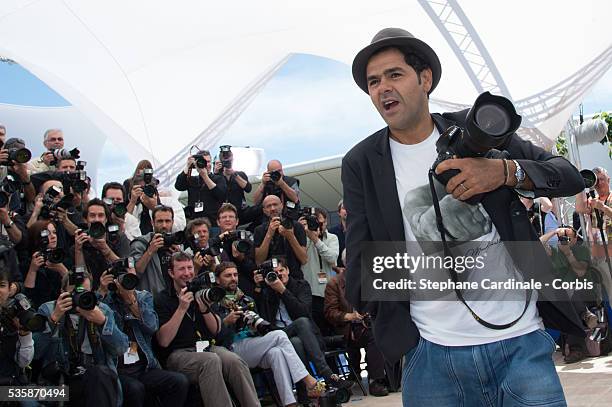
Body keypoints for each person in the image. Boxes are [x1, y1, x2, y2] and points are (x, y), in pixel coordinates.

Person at [344, 27, 586, 406]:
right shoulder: (360, 162)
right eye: (374, 82)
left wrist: (505, 172)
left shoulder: (478, 127)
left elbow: (567, 175)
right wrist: (403, 334)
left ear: (424, 79)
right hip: (430, 356)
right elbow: (361, 258)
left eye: (394, 75)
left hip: (520, 342)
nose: (383, 88)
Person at [154, 252, 259, 407]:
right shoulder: (162, 299)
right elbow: (163, 341)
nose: (187, 273)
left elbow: (217, 329)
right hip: (179, 353)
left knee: (234, 361)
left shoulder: (202, 291)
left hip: (207, 346)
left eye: (189, 268)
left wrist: (204, 308)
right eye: (181, 269)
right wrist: (182, 308)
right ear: (171, 273)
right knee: (211, 361)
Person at [213, 261, 321, 407]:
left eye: (235, 274)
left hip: (253, 346)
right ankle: (308, 380)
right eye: (228, 275)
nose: (233, 278)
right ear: (217, 279)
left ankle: (290, 403)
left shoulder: (246, 299)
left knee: (276, 353)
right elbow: (212, 336)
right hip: (231, 349)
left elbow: (260, 325)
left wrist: (255, 325)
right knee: (279, 335)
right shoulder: (214, 302)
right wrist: (226, 322)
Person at [252, 257, 352, 395]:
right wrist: (259, 287)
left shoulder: (301, 285)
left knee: (297, 340)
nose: (279, 275)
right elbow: (260, 316)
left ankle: (305, 391)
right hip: (279, 336)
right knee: (300, 325)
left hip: (307, 338)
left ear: (288, 270)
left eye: (281, 270)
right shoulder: (266, 291)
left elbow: (303, 312)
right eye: (274, 272)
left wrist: (283, 291)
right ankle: (326, 374)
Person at [35, 270, 129, 407]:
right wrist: (53, 319)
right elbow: (35, 353)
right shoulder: (49, 309)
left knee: (99, 374)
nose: (79, 297)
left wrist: (103, 322)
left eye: (84, 292)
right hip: (58, 382)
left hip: (93, 378)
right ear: (62, 292)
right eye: (74, 292)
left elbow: (121, 349)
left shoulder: (102, 310)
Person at [101, 267, 189, 407]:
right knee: (136, 389)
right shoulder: (105, 301)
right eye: (124, 278)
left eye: (131, 278)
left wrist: (131, 300)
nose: (128, 282)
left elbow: (152, 326)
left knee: (179, 382)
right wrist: (102, 290)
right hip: (117, 369)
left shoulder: (143, 296)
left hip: (144, 366)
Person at [324, 250, 388, 397]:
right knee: (374, 335)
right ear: (347, 264)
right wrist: (350, 316)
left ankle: (392, 378)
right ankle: (375, 381)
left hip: (370, 322)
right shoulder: (334, 283)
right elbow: (330, 313)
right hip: (347, 327)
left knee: (384, 330)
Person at [298, 207, 338, 335]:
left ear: (326, 222)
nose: (317, 225)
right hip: (310, 292)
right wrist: (303, 231)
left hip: (327, 292)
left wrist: (316, 239)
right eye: (314, 222)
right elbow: (302, 258)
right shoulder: (303, 237)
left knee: (331, 331)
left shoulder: (332, 238)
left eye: (320, 222)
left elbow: (332, 258)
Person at [130, 205, 181, 295]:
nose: (164, 225)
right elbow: (135, 273)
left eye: (167, 221)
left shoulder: (176, 242)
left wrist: (178, 257)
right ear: (152, 222)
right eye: (160, 221)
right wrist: (150, 250)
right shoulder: (140, 243)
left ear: (172, 222)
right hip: (150, 298)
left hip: (173, 297)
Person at [254, 195, 307, 279]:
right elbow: (259, 261)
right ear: (264, 210)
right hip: (270, 278)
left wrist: (290, 236)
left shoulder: (297, 226)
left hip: (294, 278)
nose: (272, 208)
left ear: (282, 206)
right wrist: (269, 234)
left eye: (275, 204)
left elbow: (304, 259)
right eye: (268, 206)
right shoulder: (259, 230)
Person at [0, 268, 35, 386]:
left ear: (10, 289)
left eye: (1, 285)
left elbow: (23, 363)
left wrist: (24, 334)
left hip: (9, 385)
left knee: (54, 394)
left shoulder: (15, 317)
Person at [174, 149, 226, 224]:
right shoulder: (192, 180)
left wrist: (205, 176)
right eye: (203, 161)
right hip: (194, 223)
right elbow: (178, 186)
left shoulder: (218, 178)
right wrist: (188, 166)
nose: (206, 164)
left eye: (208, 161)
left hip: (213, 223)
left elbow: (220, 194)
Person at [328, 200, 347, 272]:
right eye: (344, 208)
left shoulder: (361, 231)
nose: (347, 210)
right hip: (338, 273)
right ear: (339, 213)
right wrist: (337, 268)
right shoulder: (332, 232)